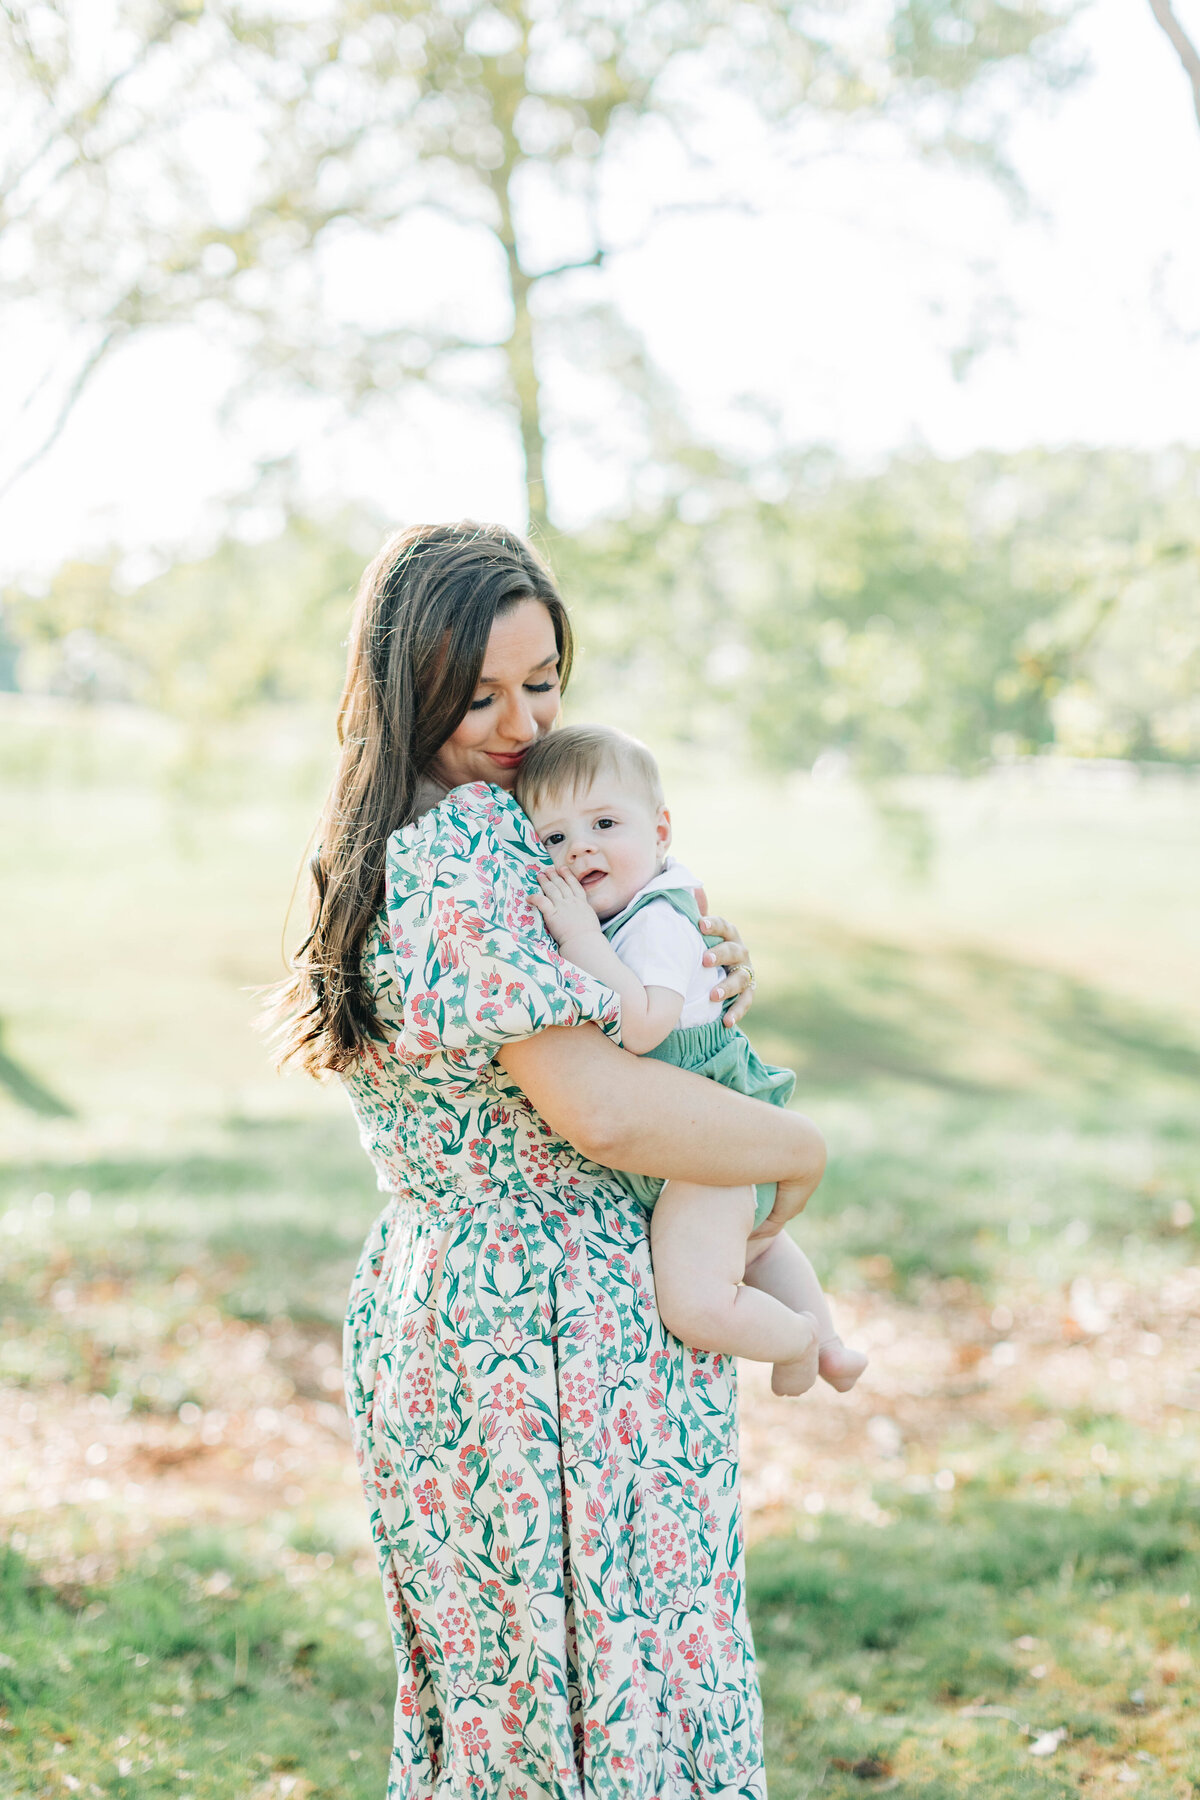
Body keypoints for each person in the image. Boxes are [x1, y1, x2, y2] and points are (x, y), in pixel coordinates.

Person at [272, 521, 827, 1799]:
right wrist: (794, 1147)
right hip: (551, 1324)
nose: (518, 722)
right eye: (477, 695)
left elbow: (619, 1009)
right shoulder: (469, 846)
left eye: (542, 682)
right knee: (600, 1701)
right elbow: (608, 1114)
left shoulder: (417, 839)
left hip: (460, 1309)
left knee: (516, 1700)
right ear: (405, 689)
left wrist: (687, 956)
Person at [515, 724, 867, 1399]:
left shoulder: (655, 922)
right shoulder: (638, 910)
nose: (580, 845)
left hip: (703, 1148)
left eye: (605, 823)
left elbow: (644, 1027)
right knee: (759, 1248)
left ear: (661, 831)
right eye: (554, 838)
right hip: (693, 1145)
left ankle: (795, 1340)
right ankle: (832, 1347)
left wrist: (580, 937)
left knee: (698, 1303)